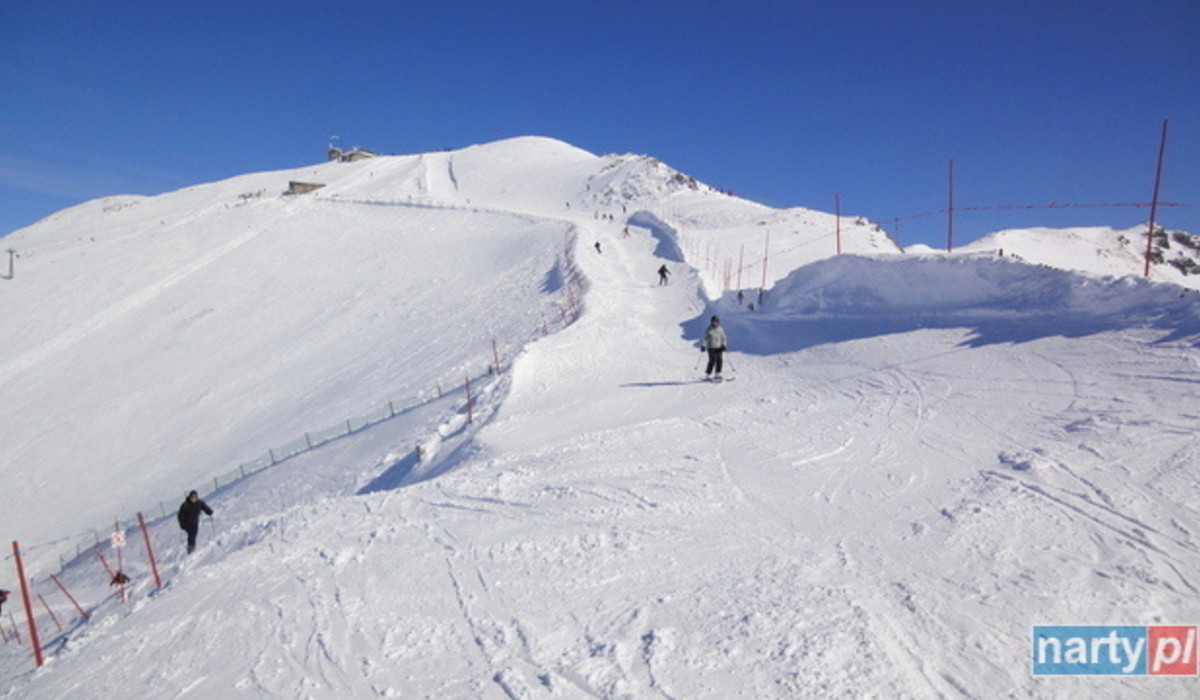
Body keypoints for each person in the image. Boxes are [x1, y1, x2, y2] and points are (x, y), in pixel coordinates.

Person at [177, 490, 214, 554]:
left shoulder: (199, 503)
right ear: (190, 497)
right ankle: (190, 549)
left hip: (195, 522)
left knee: (194, 534)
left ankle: (192, 547)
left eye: (195, 497)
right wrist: (182, 525)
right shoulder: (185, 505)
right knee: (191, 534)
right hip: (187, 523)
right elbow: (180, 516)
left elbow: (204, 507)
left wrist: (209, 512)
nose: (193, 499)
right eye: (192, 497)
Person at [703, 315, 727, 380]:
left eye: (716, 322)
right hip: (711, 347)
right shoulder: (709, 329)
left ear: (718, 322)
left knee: (719, 360)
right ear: (711, 322)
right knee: (712, 360)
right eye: (713, 322)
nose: (715, 323)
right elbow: (705, 338)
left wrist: (724, 345)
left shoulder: (720, 329)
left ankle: (717, 373)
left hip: (719, 347)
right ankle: (708, 374)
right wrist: (703, 346)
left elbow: (724, 338)